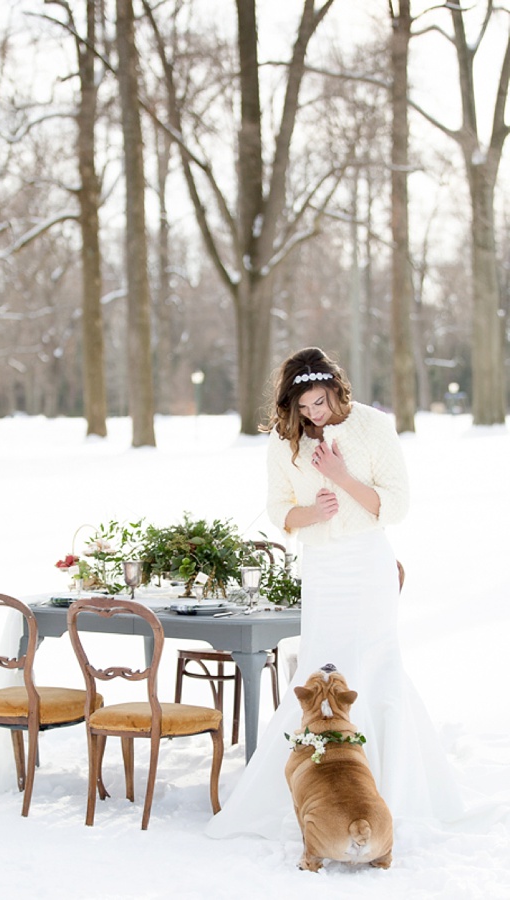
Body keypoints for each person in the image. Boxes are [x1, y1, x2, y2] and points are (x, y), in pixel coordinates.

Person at [206, 347, 463, 841]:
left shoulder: (373, 427)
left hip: (368, 565)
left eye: (319, 403)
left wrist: (341, 477)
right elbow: (279, 508)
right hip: (323, 568)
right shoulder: (285, 443)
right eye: (302, 407)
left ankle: (384, 790)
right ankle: (314, 788)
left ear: (337, 390)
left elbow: (397, 505)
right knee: (319, 668)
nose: (312, 414)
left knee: (373, 666)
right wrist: (312, 513)